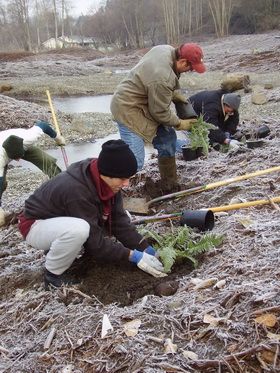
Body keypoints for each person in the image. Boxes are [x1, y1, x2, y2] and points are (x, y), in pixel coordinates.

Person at [18, 140, 166, 289]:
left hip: (59, 221)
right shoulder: (76, 190)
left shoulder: (106, 181)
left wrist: (144, 248)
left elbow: (119, 222)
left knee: (123, 216)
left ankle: (60, 247)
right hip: (35, 225)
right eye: (122, 179)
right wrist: (132, 256)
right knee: (79, 230)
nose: (126, 184)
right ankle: (53, 276)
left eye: (128, 178)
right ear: (107, 174)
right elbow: (96, 244)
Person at [110, 43, 206, 195]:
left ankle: (169, 185)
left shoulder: (166, 49)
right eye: (190, 68)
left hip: (146, 103)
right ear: (182, 61)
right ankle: (103, 185)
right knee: (135, 162)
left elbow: (154, 85)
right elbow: (160, 113)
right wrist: (180, 123)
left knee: (167, 140)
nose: (190, 71)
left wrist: (173, 94)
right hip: (128, 109)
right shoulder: (163, 77)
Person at [0, 120, 65, 227]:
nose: (18, 160)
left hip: (18, 142)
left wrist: (57, 137)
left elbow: (43, 125)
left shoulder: (29, 137)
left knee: (47, 161)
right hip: (3, 152)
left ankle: (62, 184)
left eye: (19, 157)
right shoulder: (1, 158)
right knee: (2, 184)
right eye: (15, 158)